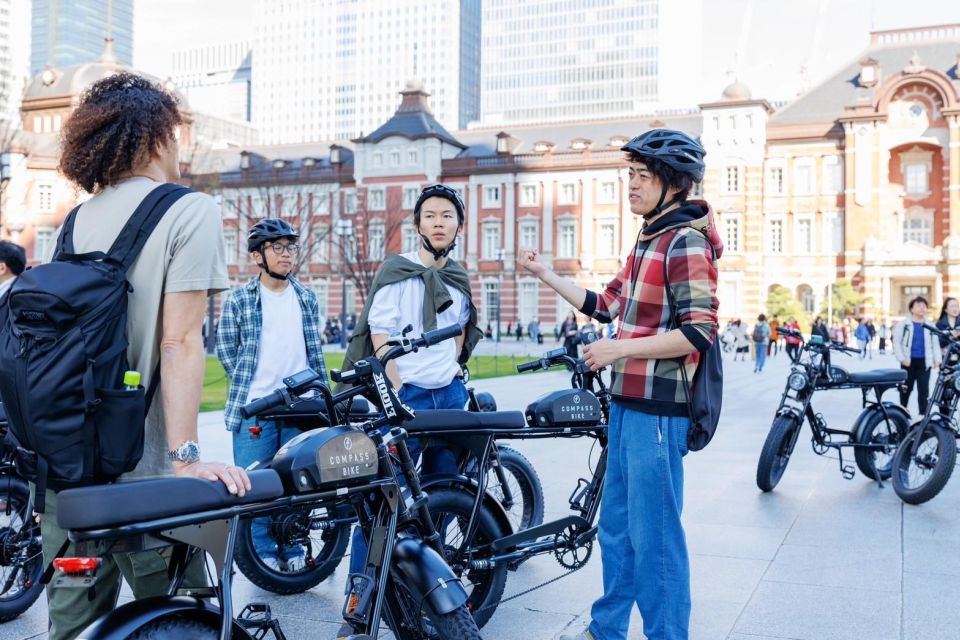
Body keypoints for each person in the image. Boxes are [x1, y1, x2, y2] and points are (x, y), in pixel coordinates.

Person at [39, 72, 250, 640]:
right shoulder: (190, 212)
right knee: (179, 618)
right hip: (146, 471)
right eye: (176, 133)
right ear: (155, 137)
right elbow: (179, 340)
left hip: (70, 472)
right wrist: (186, 460)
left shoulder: (77, 220)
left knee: (73, 623)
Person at [520, 129, 719, 640]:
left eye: (642, 176)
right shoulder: (647, 238)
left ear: (673, 183)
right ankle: (605, 629)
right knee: (616, 532)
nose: (630, 184)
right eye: (629, 174)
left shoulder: (686, 241)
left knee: (655, 540)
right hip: (628, 406)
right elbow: (604, 304)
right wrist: (545, 273)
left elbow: (700, 331)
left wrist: (618, 348)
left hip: (659, 412)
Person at [338, 184, 482, 638]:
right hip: (410, 397)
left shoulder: (457, 277)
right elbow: (380, 336)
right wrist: (397, 392)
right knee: (385, 501)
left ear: (459, 226)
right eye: (431, 216)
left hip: (449, 398)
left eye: (447, 216)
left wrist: (455, 372)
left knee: (441, 493)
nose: (439, 223)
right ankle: (357, 610)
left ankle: (429, 593)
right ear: (418, 225)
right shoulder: (396, 273)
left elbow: (461, 331)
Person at [216, 219, 328, 572]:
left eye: (290, 247)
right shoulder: (239, 300)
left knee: (297, 483)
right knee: (253, 483)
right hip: (256, 407)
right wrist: (253, 384)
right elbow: (225, 350)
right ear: (257, 257)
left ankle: (293, 548)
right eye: (277, 248)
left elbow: (315, 353)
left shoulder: (306, 297)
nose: (286, 255)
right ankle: (262, 552)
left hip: (300, 408)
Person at [892, 296, 941, 415]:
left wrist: (937, 360)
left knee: (924, 390)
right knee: (906, 389)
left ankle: (923, 416)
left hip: (924, 363)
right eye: (918, 305)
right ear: (911, 309)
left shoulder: (930, 325)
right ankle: (902, 412)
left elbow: (935, 344)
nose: (922, 308)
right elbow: (896, 342)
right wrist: (901, 359)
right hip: (908, 362)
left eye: (924, 306)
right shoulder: (904, 324)